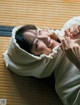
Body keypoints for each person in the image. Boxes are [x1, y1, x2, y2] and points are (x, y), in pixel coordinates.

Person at [3, 16, 80, 105]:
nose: (45, 37)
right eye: (37, 43)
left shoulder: (72, 25)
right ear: (35, 61)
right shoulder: (66, 86)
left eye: (39, 32)